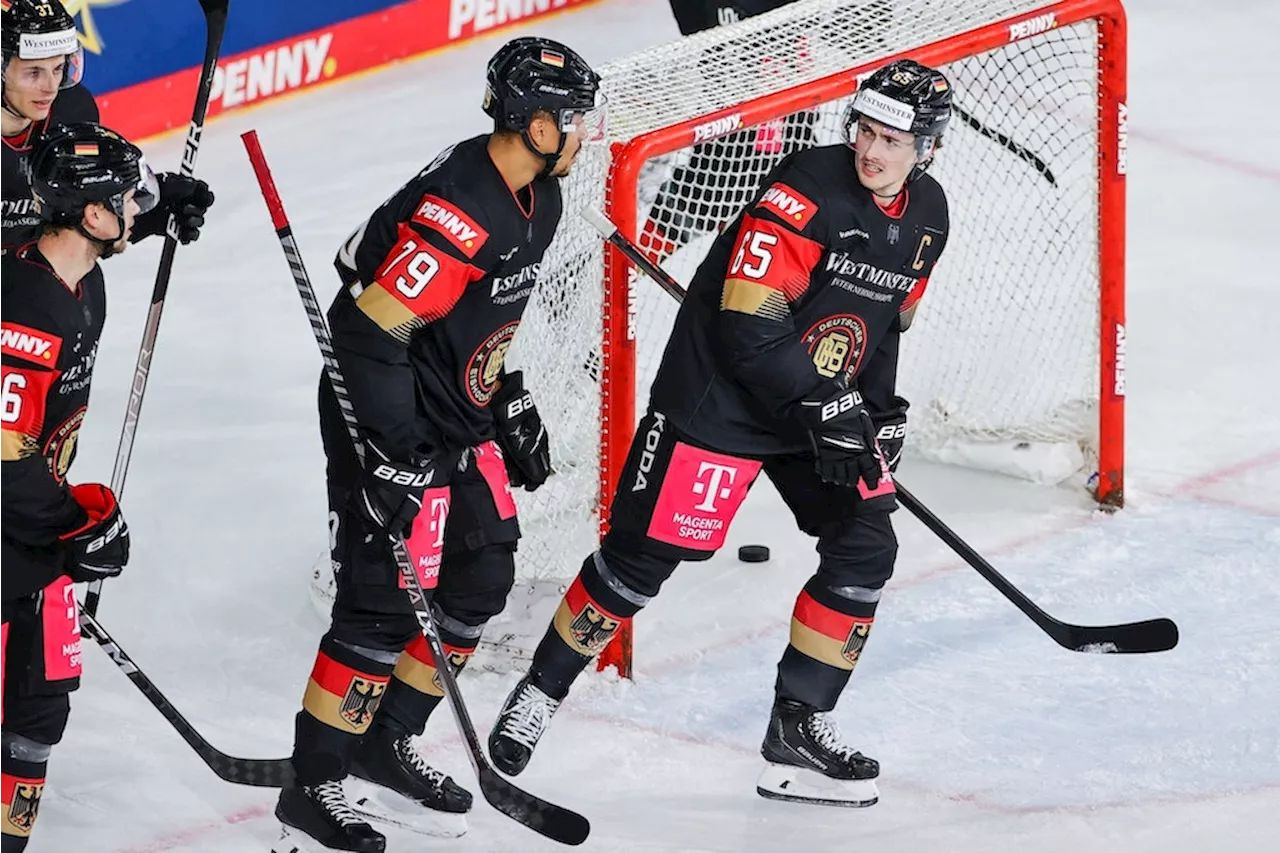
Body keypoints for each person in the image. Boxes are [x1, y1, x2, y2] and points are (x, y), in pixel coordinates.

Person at [488, 59, 952, 808]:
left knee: (867, 544)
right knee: (638, 564)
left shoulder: (929, 216)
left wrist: (878, 405)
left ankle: (798, 726)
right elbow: (747, 324)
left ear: (926, 148)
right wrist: (824, 405)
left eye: (892, 140)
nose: (872, 150)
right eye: (864, 131)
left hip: (812, 407)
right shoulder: (808, 189)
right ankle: (539, 690)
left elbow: (884, 323)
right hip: (721, 402)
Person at [272, 37, 604, 853]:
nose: (584, 132)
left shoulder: (540, 197)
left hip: (454, 413)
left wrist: (508, 396)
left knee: (483, 569)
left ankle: (388, 739)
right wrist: (390, 456)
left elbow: (483, 319)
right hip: (383, 408)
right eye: (572, 119)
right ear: (531, 124)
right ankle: (313, 785)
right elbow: (368, 333)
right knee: (383, 599)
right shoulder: (461, 206)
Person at [0, 121, 156, 850]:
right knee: (23, 704)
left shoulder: (82, 278)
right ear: (91, 215)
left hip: (29, 530)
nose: (139, 205)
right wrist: (73, 519)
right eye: (128, 197)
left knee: (38, 709)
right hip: (12, 531)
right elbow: (2, 457)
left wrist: (70, 520)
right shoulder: (27, 309)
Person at [0, 0, 212, 248]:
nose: (50, 87)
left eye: (58, 68)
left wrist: (144, 211)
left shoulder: (72, 112)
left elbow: (78, 219)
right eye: (33, 72)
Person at [640, 0, 818, 264]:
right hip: (725, 152)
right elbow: (694, 26)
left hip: (789, 147)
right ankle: (601, 286)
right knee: (651, 248)